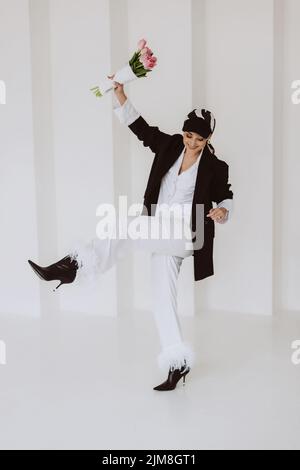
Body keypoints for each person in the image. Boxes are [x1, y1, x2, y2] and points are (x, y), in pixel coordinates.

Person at [28, 77, 233, 391]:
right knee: (162, 300)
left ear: (209, 139)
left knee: (127, 225)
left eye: (199, 140)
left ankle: (75, 266)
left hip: (187, 233)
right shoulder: (170, 145)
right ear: (184, 131)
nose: (191, 143)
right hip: (158, 230)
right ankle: (178, 362)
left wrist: (223, 210)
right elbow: (141, 129)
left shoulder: (216, 167)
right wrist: (120, 95)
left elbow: (226, 195)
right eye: (189, 135)